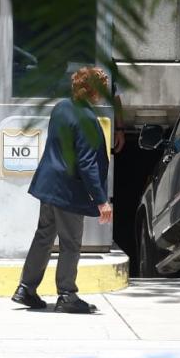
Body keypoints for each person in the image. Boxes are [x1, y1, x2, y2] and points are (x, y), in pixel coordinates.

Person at [11, 66, 113, 314]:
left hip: (49, 184)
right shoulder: (87, 119)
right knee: (70, 243)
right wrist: (102, 201)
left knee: (43, 237)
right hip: (68, 190)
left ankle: (26, 288)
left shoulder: (61, 108)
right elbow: (87, 163)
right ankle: (67, 295)